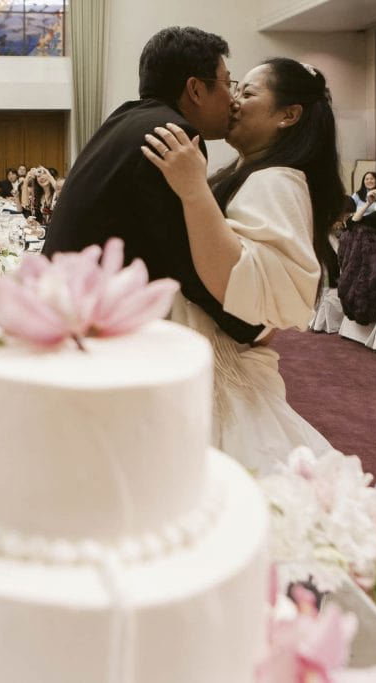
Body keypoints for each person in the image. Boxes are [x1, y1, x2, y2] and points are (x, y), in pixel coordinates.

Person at [139, 56, 342, 468]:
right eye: (234, 89)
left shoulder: (277, 180)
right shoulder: (251, 172)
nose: (233, 101)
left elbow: (241, 286)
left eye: (247, 93)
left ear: (288, 115)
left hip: (221, 366)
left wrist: (193, 190)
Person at [44, 26, 264, 346]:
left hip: (63, 299)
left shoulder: (124, 119)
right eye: (227, 83)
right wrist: (253, 328)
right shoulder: (173, 135)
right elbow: (188, 259)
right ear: (196, 90)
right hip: (86, 326)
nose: (232, 99)